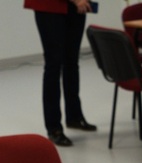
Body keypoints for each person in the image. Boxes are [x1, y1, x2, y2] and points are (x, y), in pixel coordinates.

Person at [24, 0, 97, 148]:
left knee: (72, 62)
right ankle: (54, 128)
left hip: (76, 8)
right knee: (53, 65)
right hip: (50, 7)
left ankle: (74, 116)